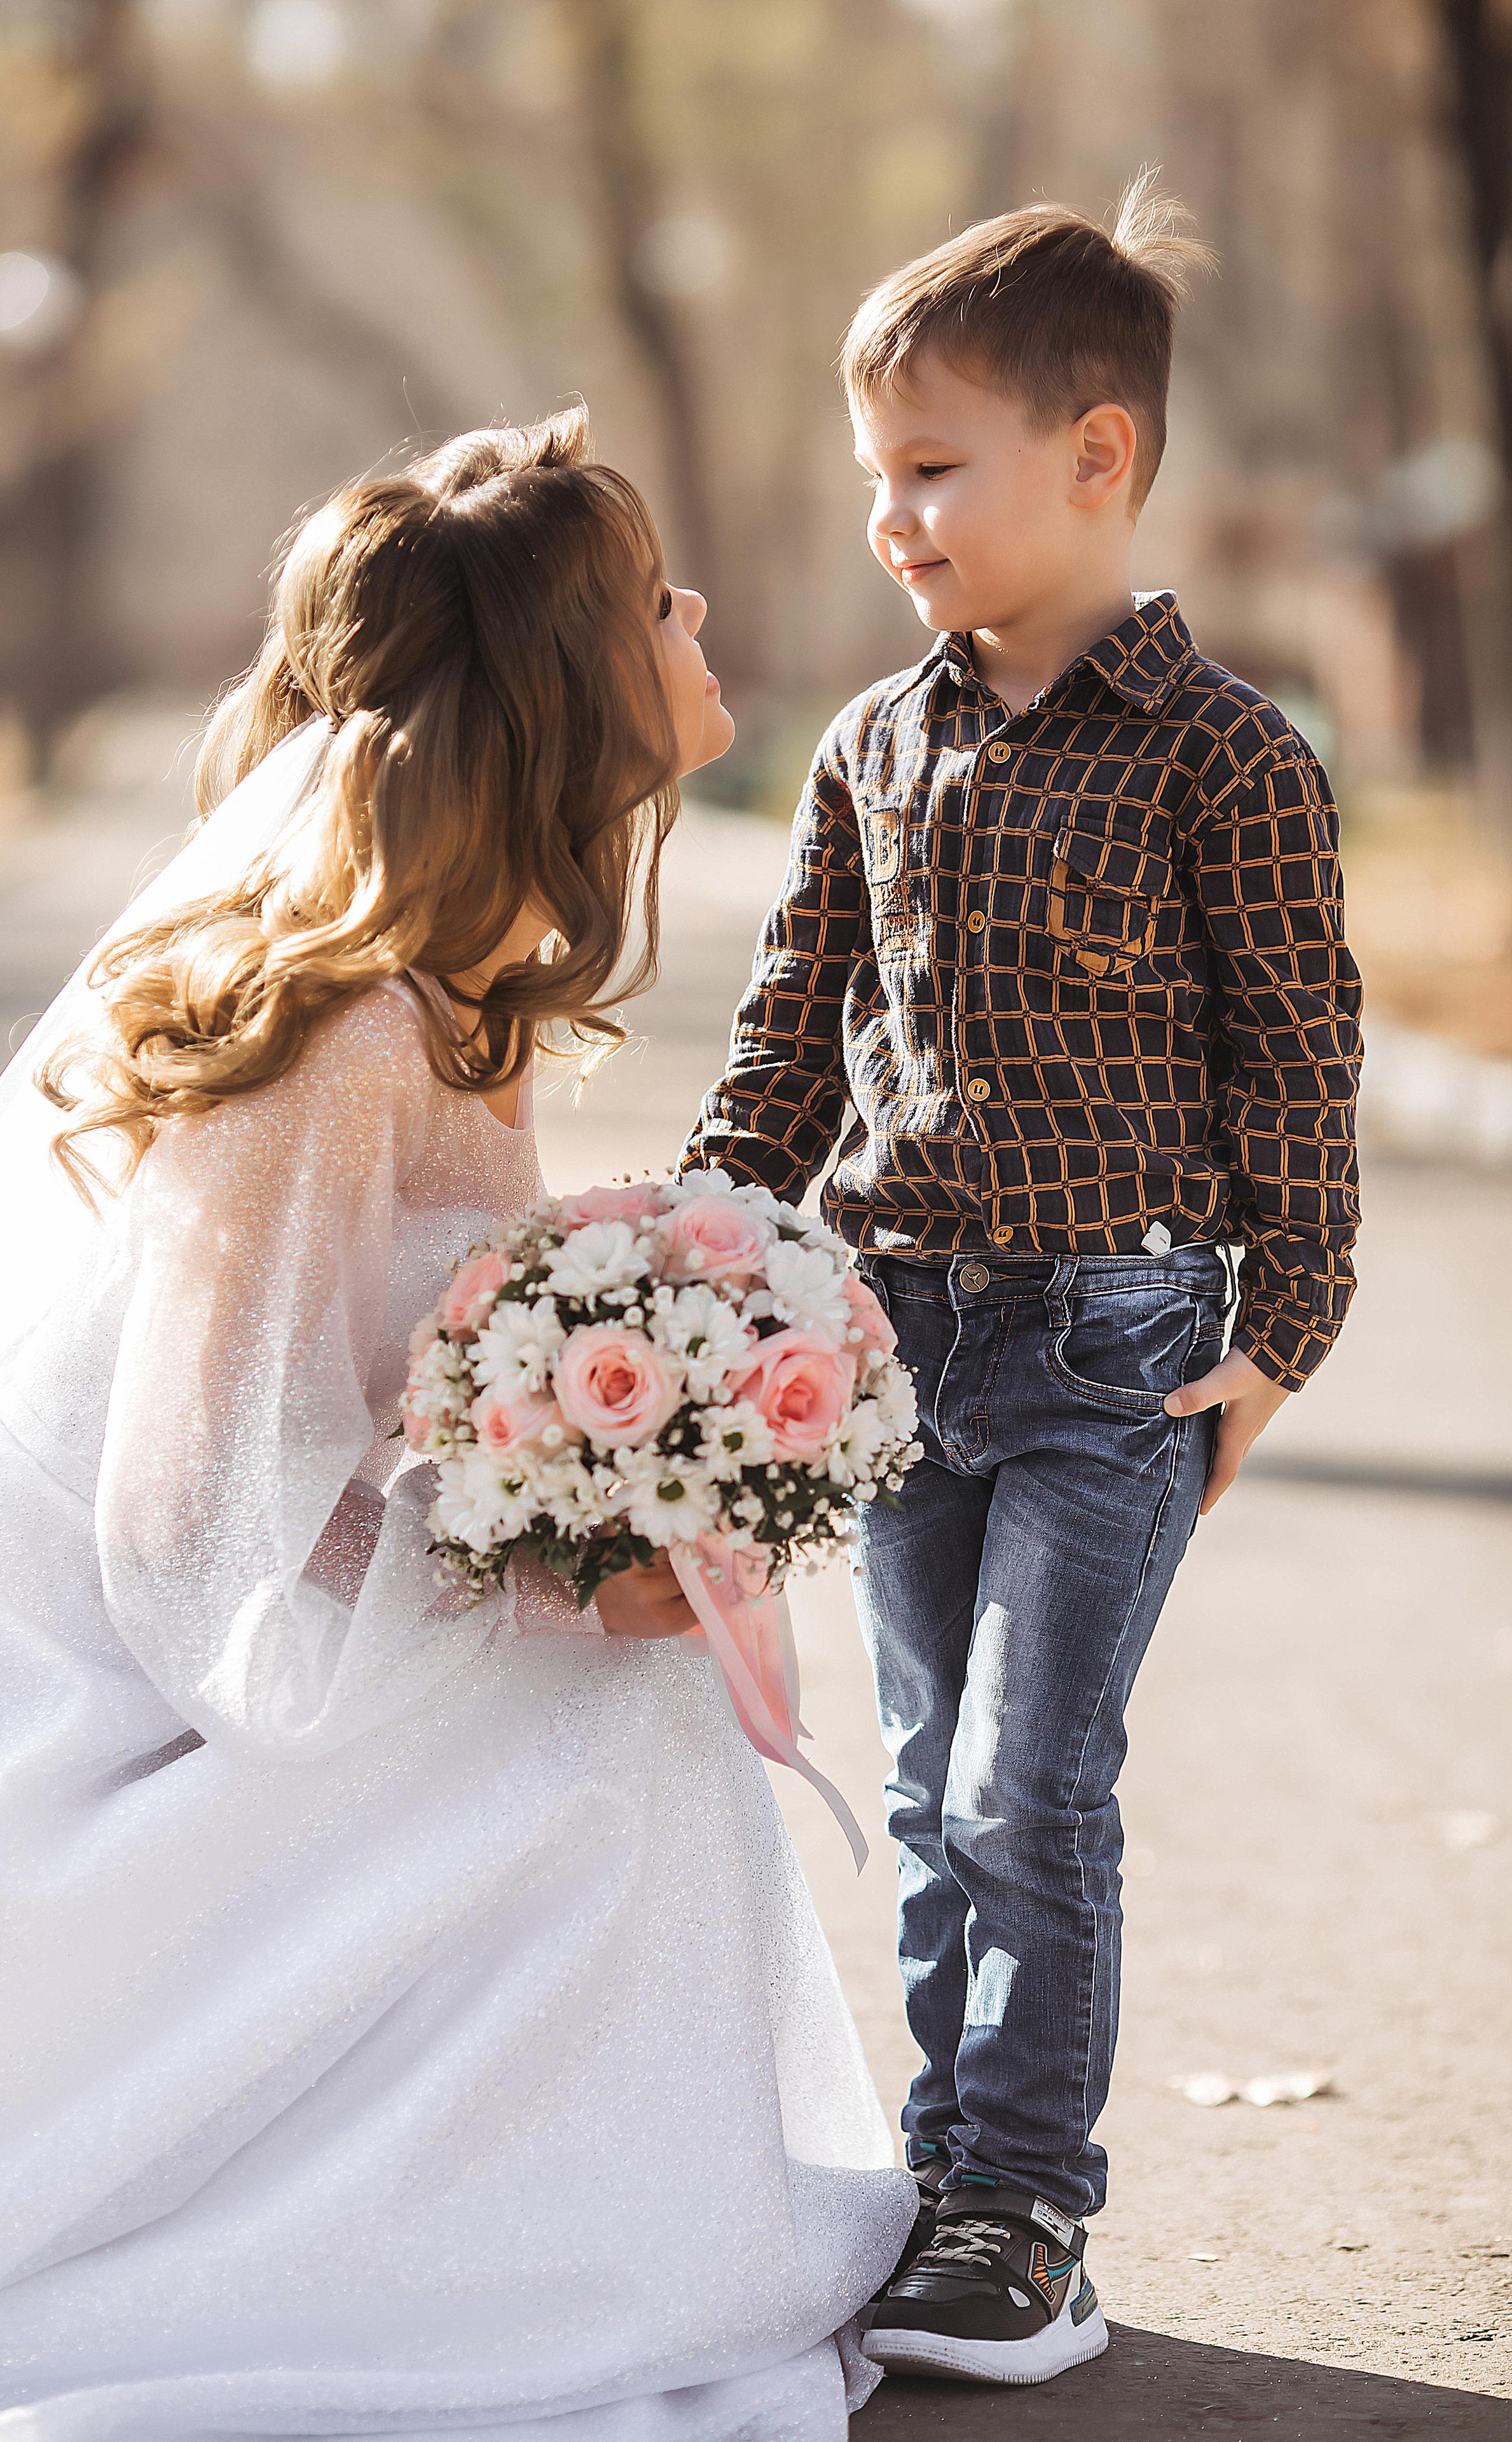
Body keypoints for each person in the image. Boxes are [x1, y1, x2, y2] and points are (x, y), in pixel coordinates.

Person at [0, 410, 912, 2442]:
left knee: (633, 1697)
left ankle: (575, 2212)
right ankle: (505, 2250)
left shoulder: (464, 987)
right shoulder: (346, 1028)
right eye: (650, 597)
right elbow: (184, 1519)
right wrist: (533, 1561)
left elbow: (395, 1400)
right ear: (556, 687)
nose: (696, 611)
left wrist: (608, 1499)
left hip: (255, 1594)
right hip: (113, 1687)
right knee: (605, 1732)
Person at [683, 177, 1363, 2386]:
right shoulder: (870, 747)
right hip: (892, 1346)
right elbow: (796, 1028)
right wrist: (695, 1253)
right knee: (916, 1784)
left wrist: (1277, 1340)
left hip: (1115, 1346)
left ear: (1098, 458)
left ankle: (1029, 2216)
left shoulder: (1227, 755)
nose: (893, 517)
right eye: (874, 474)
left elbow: (1299, 1061)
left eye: (933, 469)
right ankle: (949, 2171)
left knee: (1024, 1788)